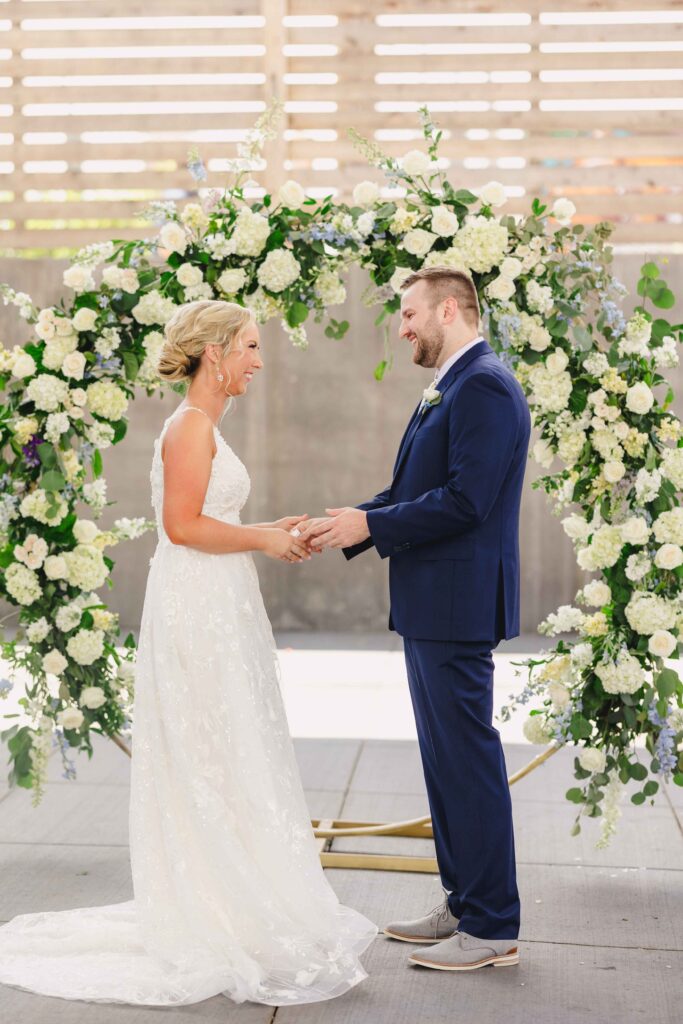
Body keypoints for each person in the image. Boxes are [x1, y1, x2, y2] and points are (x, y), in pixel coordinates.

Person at [0, 299, 376, 1006]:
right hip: (195, 607)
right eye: (251, 347)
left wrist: (269, 526)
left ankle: (228, 896)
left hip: (214, 599)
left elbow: (210, 516)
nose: (259, 362)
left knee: (225, 745)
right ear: (215, 353)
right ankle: (211, 908)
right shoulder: (190, 427)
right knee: (208, 749)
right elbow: (179, 526)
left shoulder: (203, 426)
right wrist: (262, 540)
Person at [299, 267, 530, 973]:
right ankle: (463, 901)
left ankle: (491, 927)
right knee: (444, 765)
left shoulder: (482, 384)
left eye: (408, 315)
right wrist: (353, 523)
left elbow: (466, 502)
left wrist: (370, 521)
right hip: (436, 604)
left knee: (467, 763)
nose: (401, 329)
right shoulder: (456, 383)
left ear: (450, 310)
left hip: (457, 605)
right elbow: (417, 491)